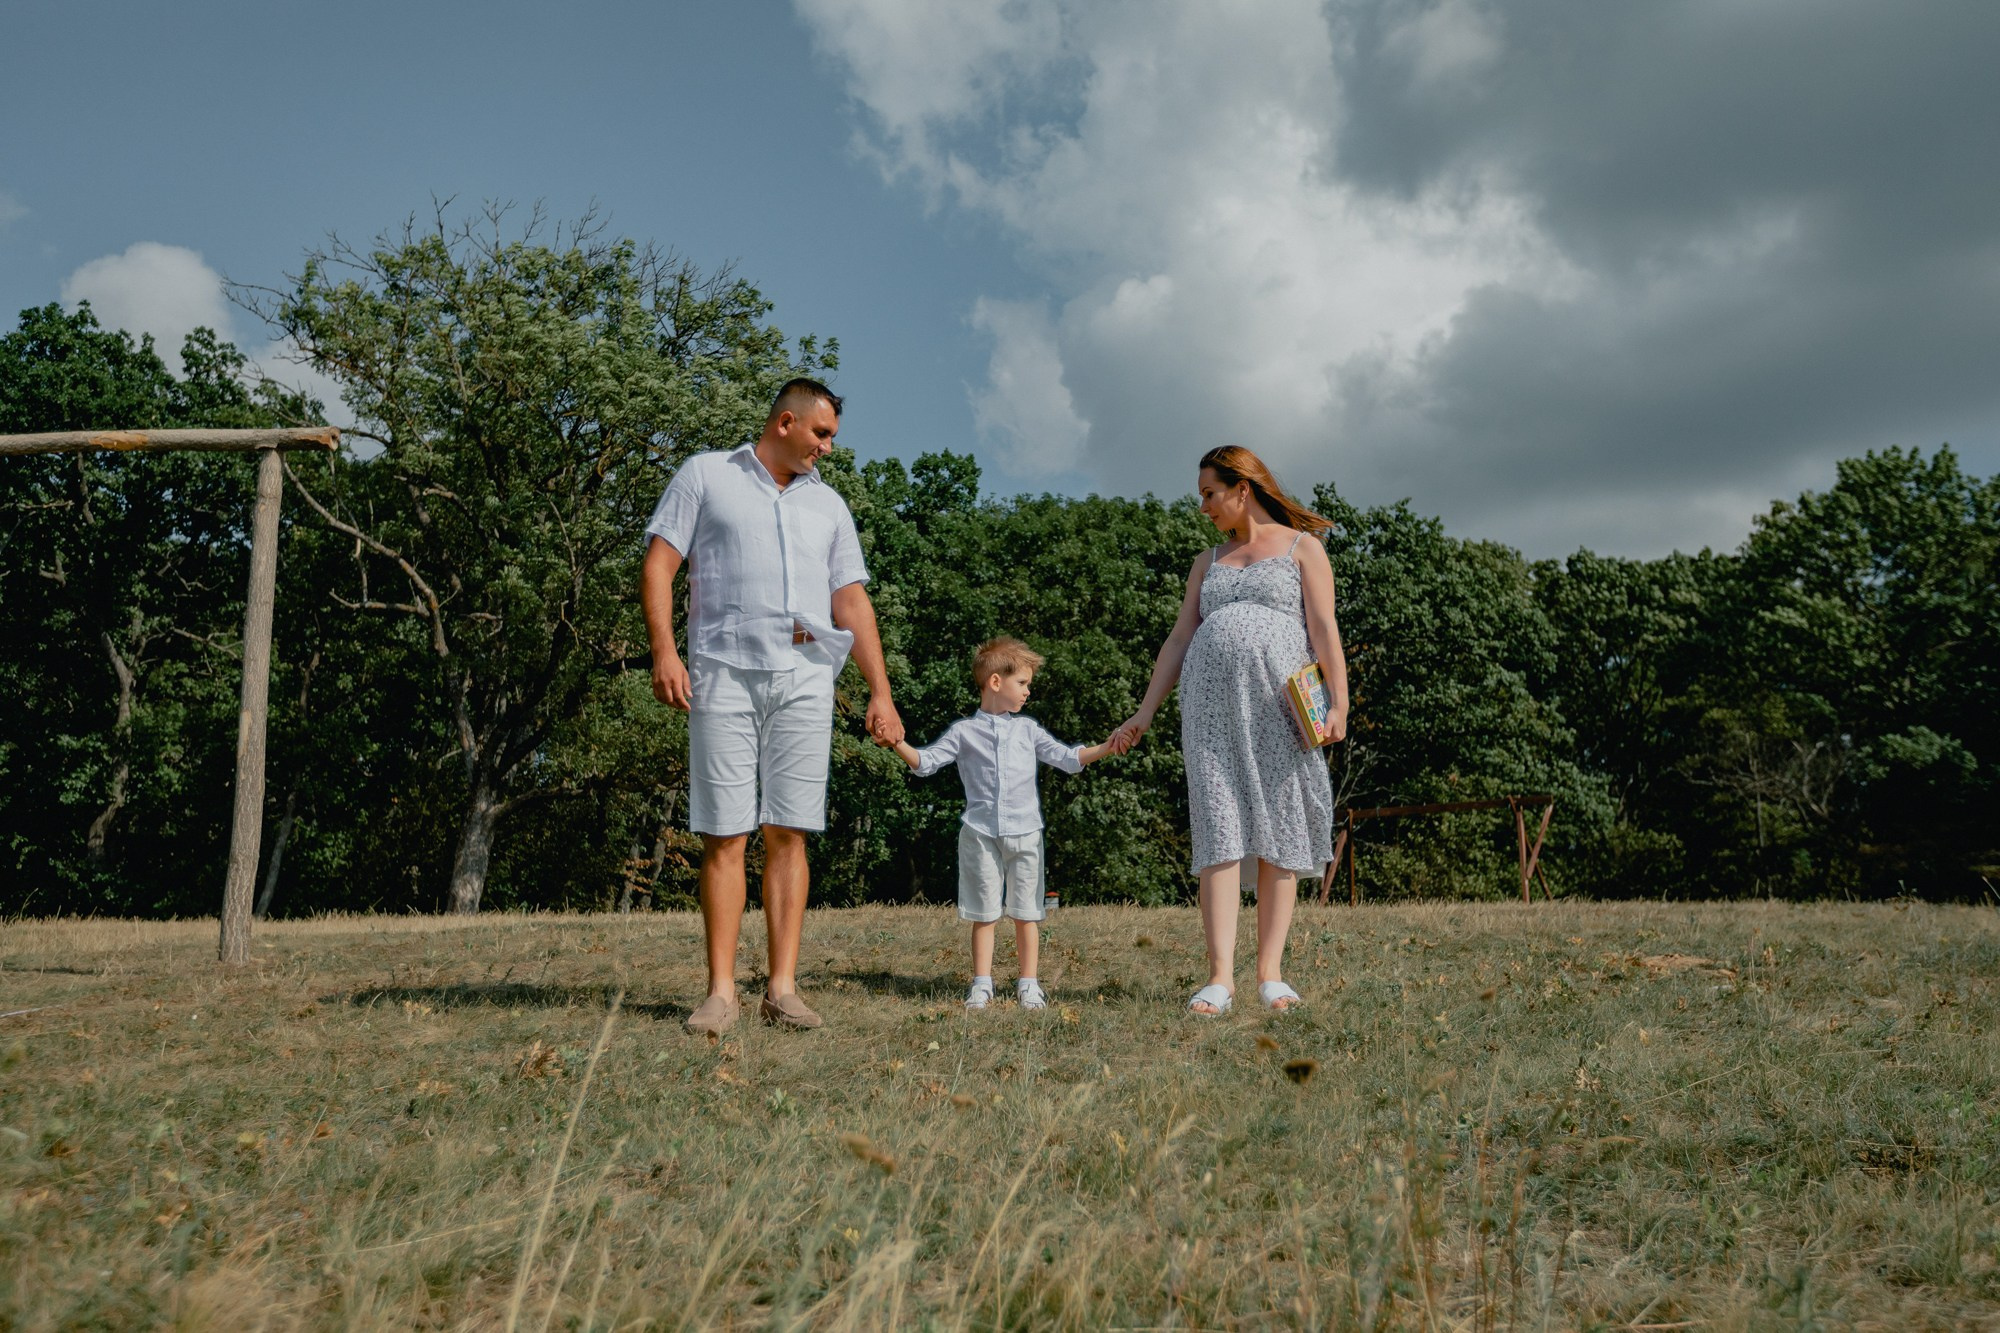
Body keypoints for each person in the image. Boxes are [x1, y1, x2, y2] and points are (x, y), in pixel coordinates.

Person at [640, 378, 903, 1035]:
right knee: (724, 832)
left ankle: (782, 988)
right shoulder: (706, 475)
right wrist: (665, 652)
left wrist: (880, 690)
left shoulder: (830, 508)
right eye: (822, 434)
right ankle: (721, 992)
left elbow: (851, 603)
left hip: (805, 678)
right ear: (785, 422)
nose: (828, 448)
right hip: (722, 673)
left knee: (789, 830)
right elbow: (659, 564)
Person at [1111, 446, 1348, 1014]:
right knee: (1219, 826)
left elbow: (1323, 629)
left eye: (1209, 494)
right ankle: (1219, 978)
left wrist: (1340, 703)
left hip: (1280, 710)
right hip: (1210, 715)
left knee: (1280, 829)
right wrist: (1145, 710)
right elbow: (1178, 640)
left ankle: (1271, 975)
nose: (1203, 507)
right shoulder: (1207, 562)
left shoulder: (1302, 549)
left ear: (1243, 490)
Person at [890, 637, 1118, 1011]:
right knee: (984, 913)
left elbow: (1068, 758)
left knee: (1027, 912)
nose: (1028, 691)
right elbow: (925, 762)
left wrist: (1107, 746)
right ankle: (982, 984)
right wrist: (896, 742)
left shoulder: (1027, 730)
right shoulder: (964, 732)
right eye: (1023, 683)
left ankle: (1029, 984)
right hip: (979, 835)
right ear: (996, 682)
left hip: (1026, 833)